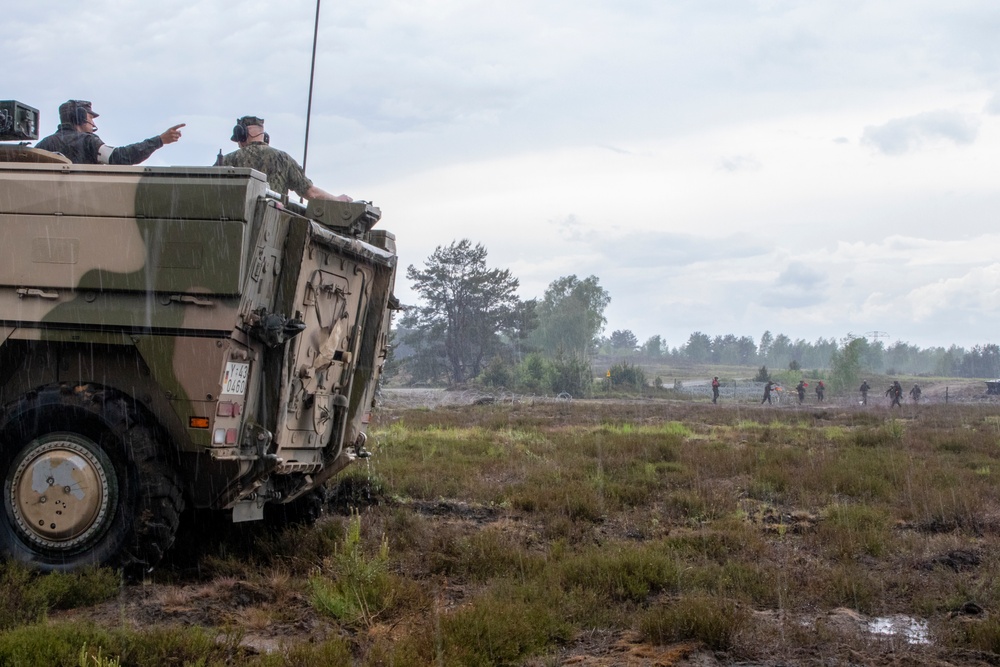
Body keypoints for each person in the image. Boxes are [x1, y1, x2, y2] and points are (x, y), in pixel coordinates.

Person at [219, 116, 350, 201]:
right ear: (263, 135)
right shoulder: (283, 159)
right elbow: (311, 193)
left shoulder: (226, 161)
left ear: (241, 134)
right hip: (271, 229)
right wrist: (337, 200)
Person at [35, 99, 184, 165]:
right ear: (79, 117)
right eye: (90, 117)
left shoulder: (43, 145)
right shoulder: (87, 142)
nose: (93, 123)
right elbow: (120, 157)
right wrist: (159, 140)